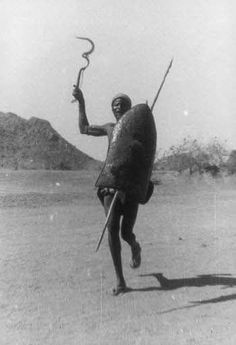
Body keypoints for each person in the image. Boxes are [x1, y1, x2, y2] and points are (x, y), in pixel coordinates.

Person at [73, 87, 143, 296]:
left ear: (130, 109)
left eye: (122, 104)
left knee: (125, 233)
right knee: (112, 227)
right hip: (110, 184)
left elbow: (144, 157)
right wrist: (81, 101)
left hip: (129, 187)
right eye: (115, 104)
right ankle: (120, 281)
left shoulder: (138, 131)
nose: (118, 106)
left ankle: (135, 246)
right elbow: (84, 128)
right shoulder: (110, 128)